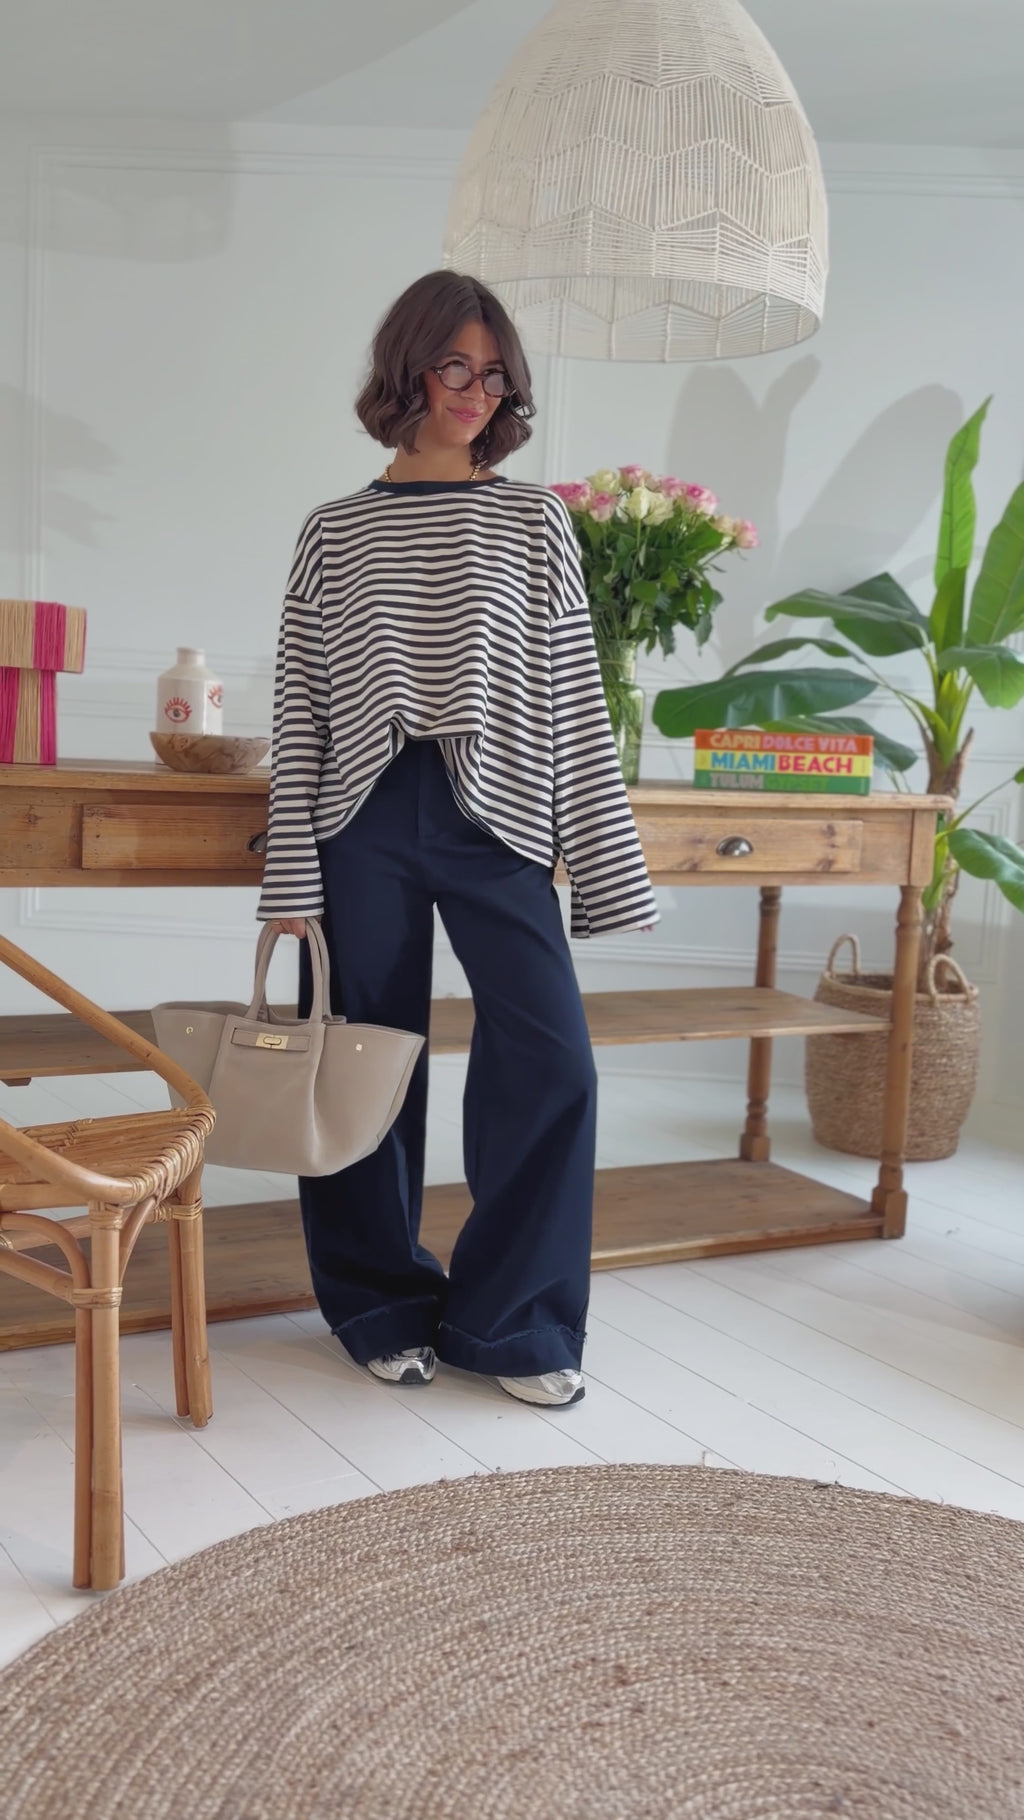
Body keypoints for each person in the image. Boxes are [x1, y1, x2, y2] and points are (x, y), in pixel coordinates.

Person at [259, 268, 659, 1409]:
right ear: (408, 372)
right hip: (363, 817)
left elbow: (573, 693)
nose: (476, 392)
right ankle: (377, 1304)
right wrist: (290, 872)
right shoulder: (334, 531)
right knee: (360, 1067)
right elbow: (301, 706)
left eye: (494, 375)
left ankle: (514, 1321)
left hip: (502, 816)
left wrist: (604, 861)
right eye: (454, 367)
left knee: (551, 1060)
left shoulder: (535, 520)